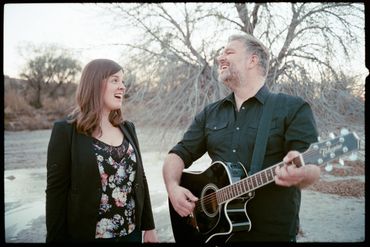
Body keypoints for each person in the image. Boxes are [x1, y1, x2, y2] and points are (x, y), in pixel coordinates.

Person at [162, 34, 321, 243]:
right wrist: (173, 187)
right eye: (221, 53)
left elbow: (312, 167)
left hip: (271, 234)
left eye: (229, 52)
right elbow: (178, 154)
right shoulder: (211, 113)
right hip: (215, 235)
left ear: (252, 60)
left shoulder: (292, 108)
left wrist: (300, 174)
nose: (220, 58)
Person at [46, 58, 158, 243]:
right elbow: (56, 192)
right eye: (115, 80)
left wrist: (149, 227)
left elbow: (141, 179)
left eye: (122, 81)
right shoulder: (66, 131)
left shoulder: (128, 128)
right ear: (94, 84)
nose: (122, 86)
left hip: (131, 234)